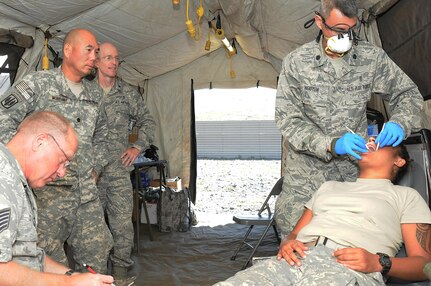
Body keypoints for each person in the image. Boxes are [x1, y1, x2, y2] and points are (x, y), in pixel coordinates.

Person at [274, 0, 425, 235]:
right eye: (339, 29)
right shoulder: (296, 63)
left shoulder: (370, 58)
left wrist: (400, 122)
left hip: (353, 176)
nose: (346, 36)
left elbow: (408, 94)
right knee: (297, 241)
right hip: (307, 177)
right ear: (319, 22)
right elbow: (288, 121)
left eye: (351, 29)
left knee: (356, 241)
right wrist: (331, 144)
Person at [215, 139, 431, 285]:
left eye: (381, 142)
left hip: (348, 266)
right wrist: (286, 243)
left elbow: (425, 265)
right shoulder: (328, 187)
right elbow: (293, 235)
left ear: (399, 160)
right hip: (297, 259)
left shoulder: (406, 196)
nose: (370, 142)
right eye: (368, 140)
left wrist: (379, 263)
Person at [0, 28, 113, 273]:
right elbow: (3, 119)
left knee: (98, 254)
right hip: (48, 196)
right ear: (68, 50)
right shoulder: (38, 83)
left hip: (86, 195)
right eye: (89, 50)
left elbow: (105, 135)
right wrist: (22, 166)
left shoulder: (95, 94)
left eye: (96, 51)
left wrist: (95, 170)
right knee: (47, 261)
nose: (94, 57)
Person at [0, 110, 114, 285]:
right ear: (40, 142)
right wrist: (69, 284)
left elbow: (27, 254)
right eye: (62, 160)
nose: (62, 172)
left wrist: (71, 275)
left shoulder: (16, 179)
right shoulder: (3, 182)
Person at [94, 42, 155, 283]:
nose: (113, 62)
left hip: (119, 173)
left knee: (122, 229)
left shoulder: (128, 93)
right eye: (108, 57)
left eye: (117, 58)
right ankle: (95, 278)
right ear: (96, 61)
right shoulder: (83, 91)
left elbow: (148, 121)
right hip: (91, 174)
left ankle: (119, 277)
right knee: (91, 230)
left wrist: (137, 146)